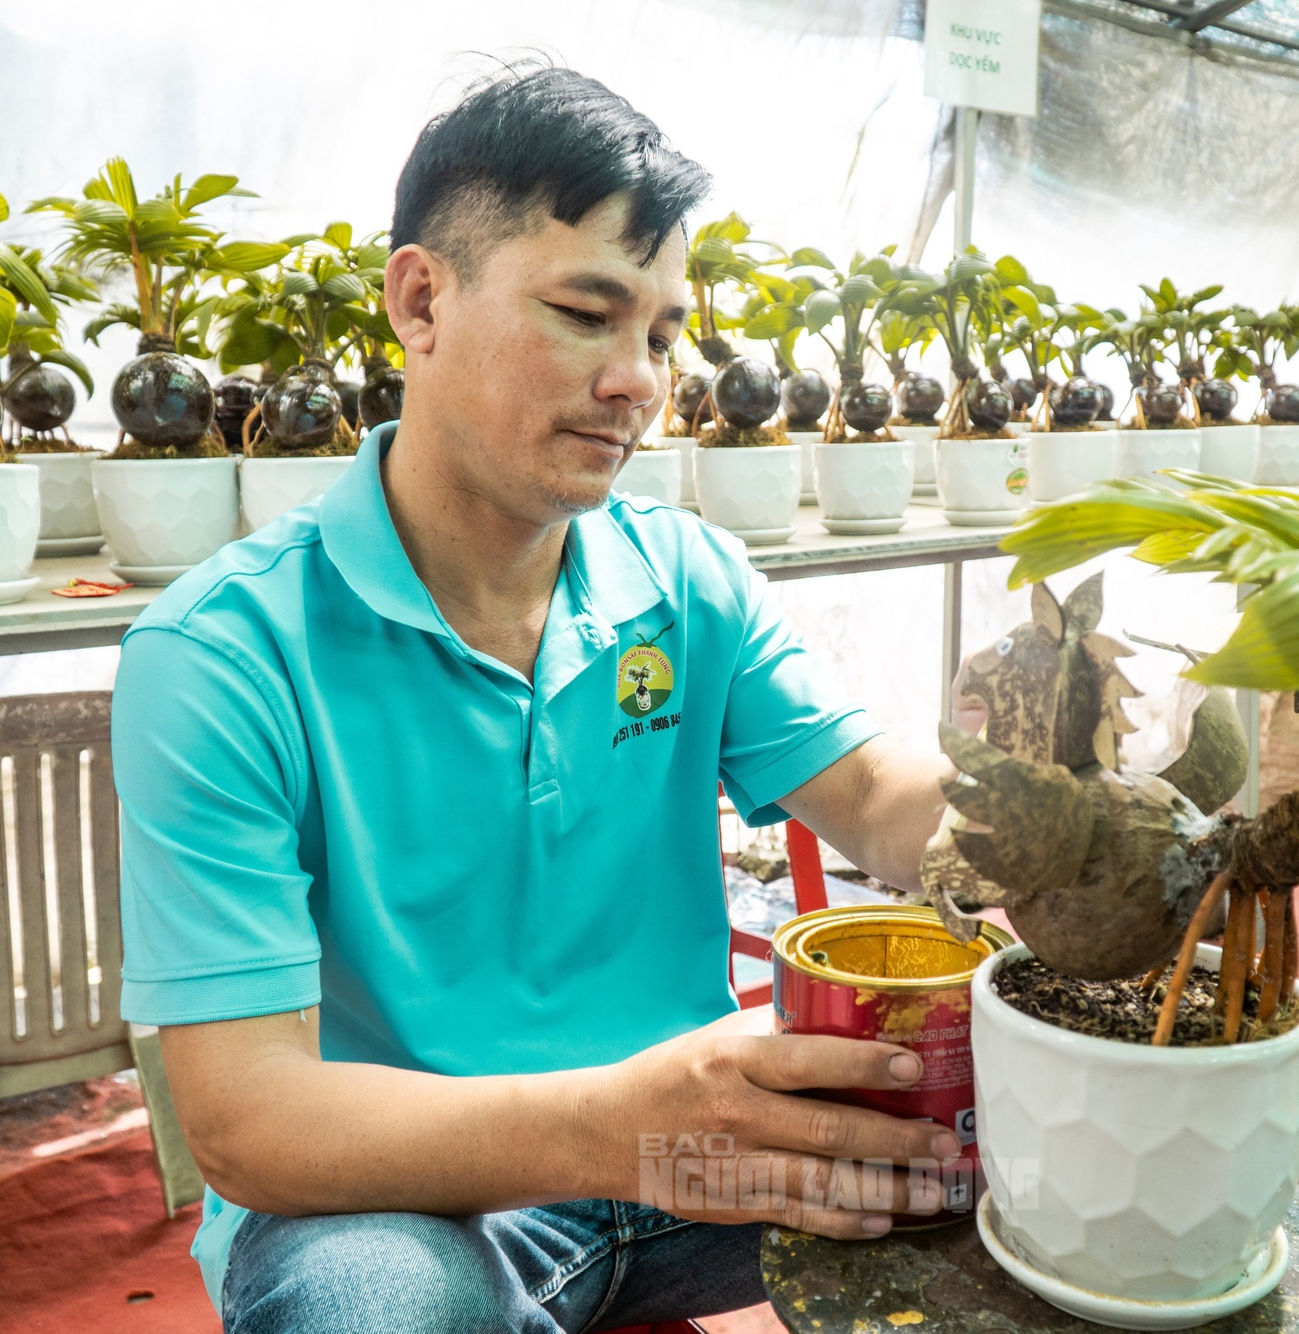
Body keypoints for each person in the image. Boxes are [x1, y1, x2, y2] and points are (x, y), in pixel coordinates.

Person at [114, 63, 960, 1334]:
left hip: (691, 1164)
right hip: (413, 1188)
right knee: (373, 1307)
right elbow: (251, 1122)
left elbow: (878, 795)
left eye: (664, 334)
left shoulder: (686, 580)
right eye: (586, 310)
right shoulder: (223, 653)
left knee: (1042, 1160)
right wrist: (605, 1126)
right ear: (420, 299)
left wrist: (1053, 814)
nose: (638, 378)